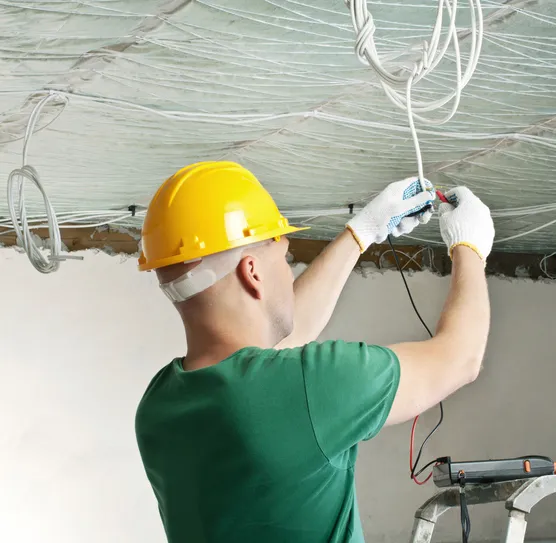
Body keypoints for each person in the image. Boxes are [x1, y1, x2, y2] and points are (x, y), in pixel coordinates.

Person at [135, 161, 494, 543]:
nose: (289, 273)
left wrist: (362, 232)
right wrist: (469, 247)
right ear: (252, 272)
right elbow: (460, 357)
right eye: (285, 258)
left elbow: (277, 348)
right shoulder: (311, 384)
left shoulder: (159, 408)